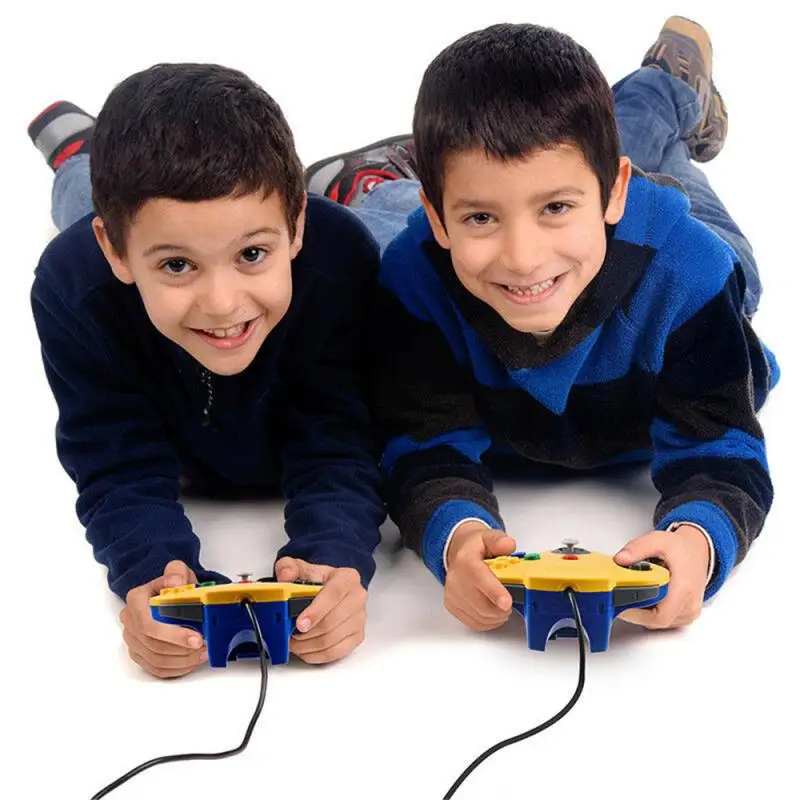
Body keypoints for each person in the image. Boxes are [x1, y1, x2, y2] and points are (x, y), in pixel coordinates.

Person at [306, 17, 778, 633]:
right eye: (478, 217)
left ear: (614, 195)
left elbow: (720, 448)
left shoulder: (692, 274)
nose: (524, 258)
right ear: (439, 216)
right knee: (379, 241)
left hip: (662, 230)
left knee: (666, 169)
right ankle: (386, 185)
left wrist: (699, 540)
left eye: (556, 207)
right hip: (460, 232)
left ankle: (663, 88)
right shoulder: (412, 278)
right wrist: (457, 534)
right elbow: (423, 445)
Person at [28, 63, 386, 677]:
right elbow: (113, 458)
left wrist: (333, 552)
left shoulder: (343, 261)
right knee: (81, 193)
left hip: (337, 228)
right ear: (114, 250)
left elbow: (340, 436)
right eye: (176, 266)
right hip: (104, 235)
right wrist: (151, 567)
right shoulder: (72, 287)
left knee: (393, 230)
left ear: (297, 225)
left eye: (253, 253)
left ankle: (362, 180)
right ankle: (76, 153)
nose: (222, 304)